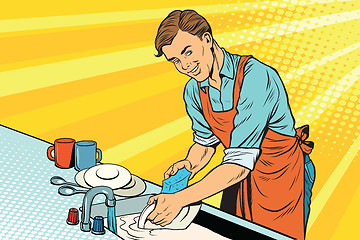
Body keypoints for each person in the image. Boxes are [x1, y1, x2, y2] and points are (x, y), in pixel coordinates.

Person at [146, 10, 315, 240]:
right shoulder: (194, 90)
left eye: (188, 52)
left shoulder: (256, 77)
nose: (185, 65)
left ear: (207, 39)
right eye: (175, 60)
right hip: (236, 179)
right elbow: (205, 144)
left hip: (280, 180)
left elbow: (239, 163)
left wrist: (180, 199)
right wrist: (189, 164)